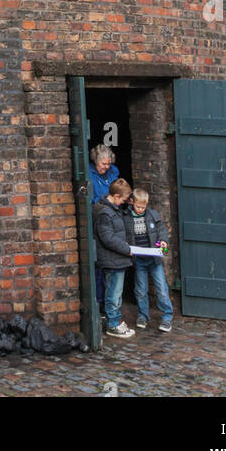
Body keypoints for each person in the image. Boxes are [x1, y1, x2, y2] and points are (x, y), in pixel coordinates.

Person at [125, 187, 173, 332]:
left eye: (143, 207)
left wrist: (163, 240)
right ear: (132, 202)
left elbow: (161, 230)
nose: (140, 209)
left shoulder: (152, 215)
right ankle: (143, 315)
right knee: (140, 289)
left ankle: (167, 316)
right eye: (138, 206)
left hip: (154, 259)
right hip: (138, 259)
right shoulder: (126, 217)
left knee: (162, 288)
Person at [92, 177, 135, 338]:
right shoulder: (104, 213)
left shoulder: (112, 209)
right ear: (116, 196)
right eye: (123, 199)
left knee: (115, 291)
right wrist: (127, 249)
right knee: (114, 292)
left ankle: (115, 319)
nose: (124, 202)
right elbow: (108, 238)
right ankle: (113, 323)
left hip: (117, 258)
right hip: (113, 258)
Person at [88, 145, 119, 316]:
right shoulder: (89, 174)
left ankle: (112, 304)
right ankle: (99, 303)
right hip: (97, 220)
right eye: (103, 163)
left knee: (112, 264)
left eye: (108, 163)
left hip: (112, 221)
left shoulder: (113, 172)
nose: (106, 167)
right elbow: (92, 199)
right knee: (98, 264)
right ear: (95, 160)